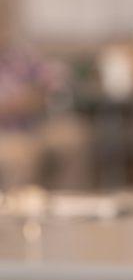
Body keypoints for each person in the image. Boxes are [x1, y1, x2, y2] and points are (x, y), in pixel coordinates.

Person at [0, 43, 92, 190]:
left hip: (34, 126)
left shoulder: (16, 53)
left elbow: (56, 75)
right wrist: (12, 106)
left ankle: (69, 205)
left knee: (72, 136)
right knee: (20, 156)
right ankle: (20, 209)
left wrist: (41, 91)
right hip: (5, 134)